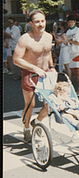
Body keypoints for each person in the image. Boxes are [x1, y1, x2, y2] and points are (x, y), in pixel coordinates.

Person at [13, 9, 55, 142]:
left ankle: (36, 122)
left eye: (43, 21)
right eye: (37, 22)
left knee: (50, 104)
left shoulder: (49, 36)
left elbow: (47, 52)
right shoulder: (25, 39)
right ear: (31, 23)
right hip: (30, 73)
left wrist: (52, 67)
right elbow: (16, 59)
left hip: (45, 73)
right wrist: (35, 69)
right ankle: (26, 128)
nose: (41, 24)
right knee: (30, 105)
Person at [65, 14, 79, 91]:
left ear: (75, 22)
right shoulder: (68, 32)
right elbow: (67, 43)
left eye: (72, 22)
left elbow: (78, 42)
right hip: (71, 53)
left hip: (78, 53)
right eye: (69, 22)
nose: (71, 23)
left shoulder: (78, 31)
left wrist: (69, 41)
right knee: (74, 73)